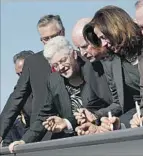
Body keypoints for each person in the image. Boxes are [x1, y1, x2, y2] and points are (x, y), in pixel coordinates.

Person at [0, 14, 64, 144]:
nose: (51, 42)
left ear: (63, 32)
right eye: (46, 39)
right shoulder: (33, 63)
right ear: (41, 40)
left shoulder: (79, 58)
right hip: (41, 136)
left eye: (54, 36)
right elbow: (16, 98)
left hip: (72, 133)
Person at [81, 5, 143, 127]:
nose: (104, 44)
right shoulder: (112, 62)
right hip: (142, 118)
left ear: (116, 28)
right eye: (100, 39)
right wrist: (96, 116)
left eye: (104, 37)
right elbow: (120, 103)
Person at [71, 18, 113, 122]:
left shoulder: (120, 56)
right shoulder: (88, 68)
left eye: (85, 46)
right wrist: (88, 115)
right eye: (78, 48)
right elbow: (94, 104)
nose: (82, 53)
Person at [2, 50, 34, 147]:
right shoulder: (19, 92)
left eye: (23, 72)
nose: (21, 77)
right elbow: (9, 112)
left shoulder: (51, 84)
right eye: (18, 74)